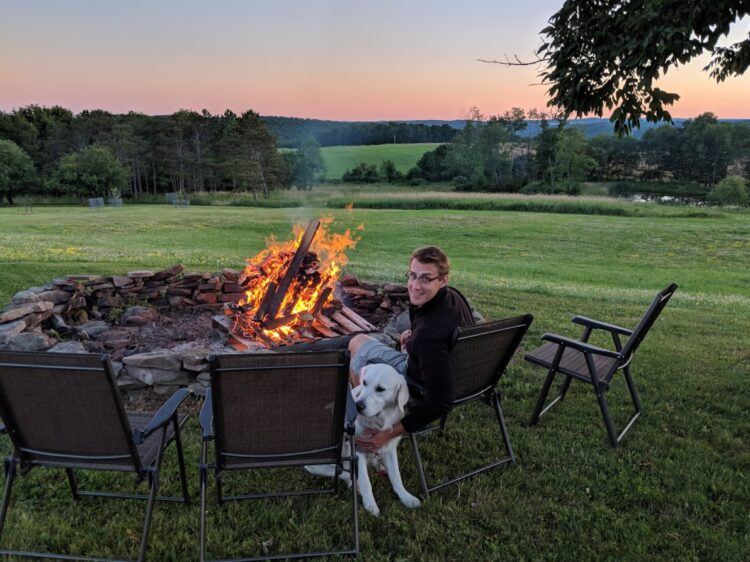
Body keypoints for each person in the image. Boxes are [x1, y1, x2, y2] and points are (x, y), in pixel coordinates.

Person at [349, 245, 474, 453]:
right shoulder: (453, 297)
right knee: (363, 343)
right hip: (462, 374)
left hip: (416, 383)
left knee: (357, 342)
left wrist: (388, 434)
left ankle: (368, 423)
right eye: (413, 276)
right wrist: (413, 336)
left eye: (425, 278)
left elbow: (440, 403)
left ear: (443, 280)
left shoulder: (428, 337)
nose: (415, 285)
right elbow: (432, 333)